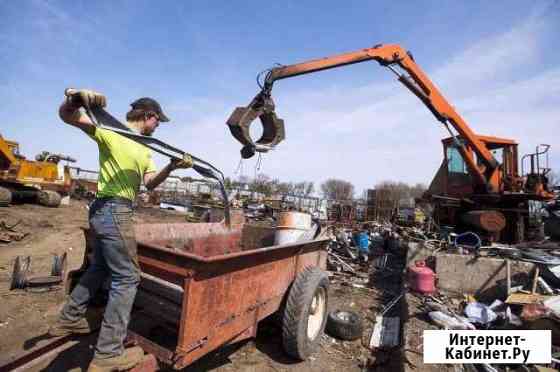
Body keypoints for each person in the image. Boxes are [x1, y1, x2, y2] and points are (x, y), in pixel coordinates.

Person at [49, 89, 193, 371]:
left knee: (101, 266)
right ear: (149, 117)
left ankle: (70, 316)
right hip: (113, 209)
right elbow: (68, 116)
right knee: (127, 277)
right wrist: (75, 100)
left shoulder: (144, 147)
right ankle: (108, 354)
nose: (159, 126)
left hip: (109, 211)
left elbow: (150, 183)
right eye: (158, 121)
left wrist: (172, 166)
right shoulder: (111, 131)